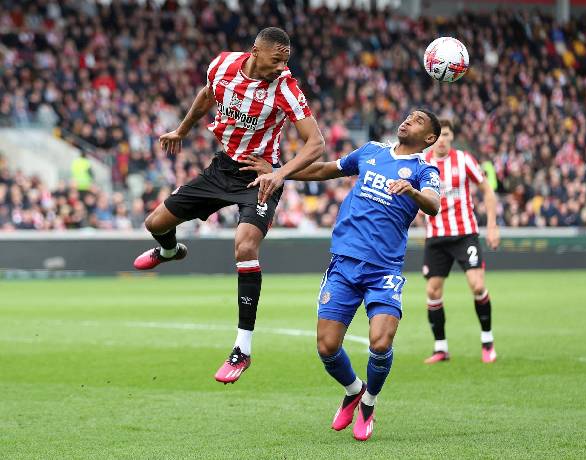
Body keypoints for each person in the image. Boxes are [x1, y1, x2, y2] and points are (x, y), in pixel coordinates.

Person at [132, 27, 325, 384]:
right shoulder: (222, 65)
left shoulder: (285, 88)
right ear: (255, 51)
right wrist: (181, 130)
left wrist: (280, 172)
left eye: (286, 60)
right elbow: (208, 95)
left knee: (245, 246)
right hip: (221, 169)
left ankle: (242, 348)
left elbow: (316, 143)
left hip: (258, 177)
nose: (281, 66)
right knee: (155, 224)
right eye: (275, 59)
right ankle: (171, 251)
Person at [242, 109, 441, 441]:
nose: (407, 121)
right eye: (408, 116)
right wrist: (281, 172)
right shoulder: (371, 152)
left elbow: (433, 204)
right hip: (345, 263)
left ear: (430, 138)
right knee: (327, 346)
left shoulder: (424, 170)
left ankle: (369, 404)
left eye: (418, 121)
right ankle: (353, 390)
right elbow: (325, 169)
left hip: (384, 270)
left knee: (380, 342)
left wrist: (413, 192)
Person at [421, 119, 500, 364]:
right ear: (430, 138)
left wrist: (492, 225)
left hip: (465, 233)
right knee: (433, 291)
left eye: (446, 134)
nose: (442, 139)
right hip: (436, 235)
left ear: (452, 137)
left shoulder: (464, 160)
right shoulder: (423, 163)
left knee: (477, 285)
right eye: (438, 135)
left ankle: (487, 342)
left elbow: (487, 190)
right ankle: (441, 347)